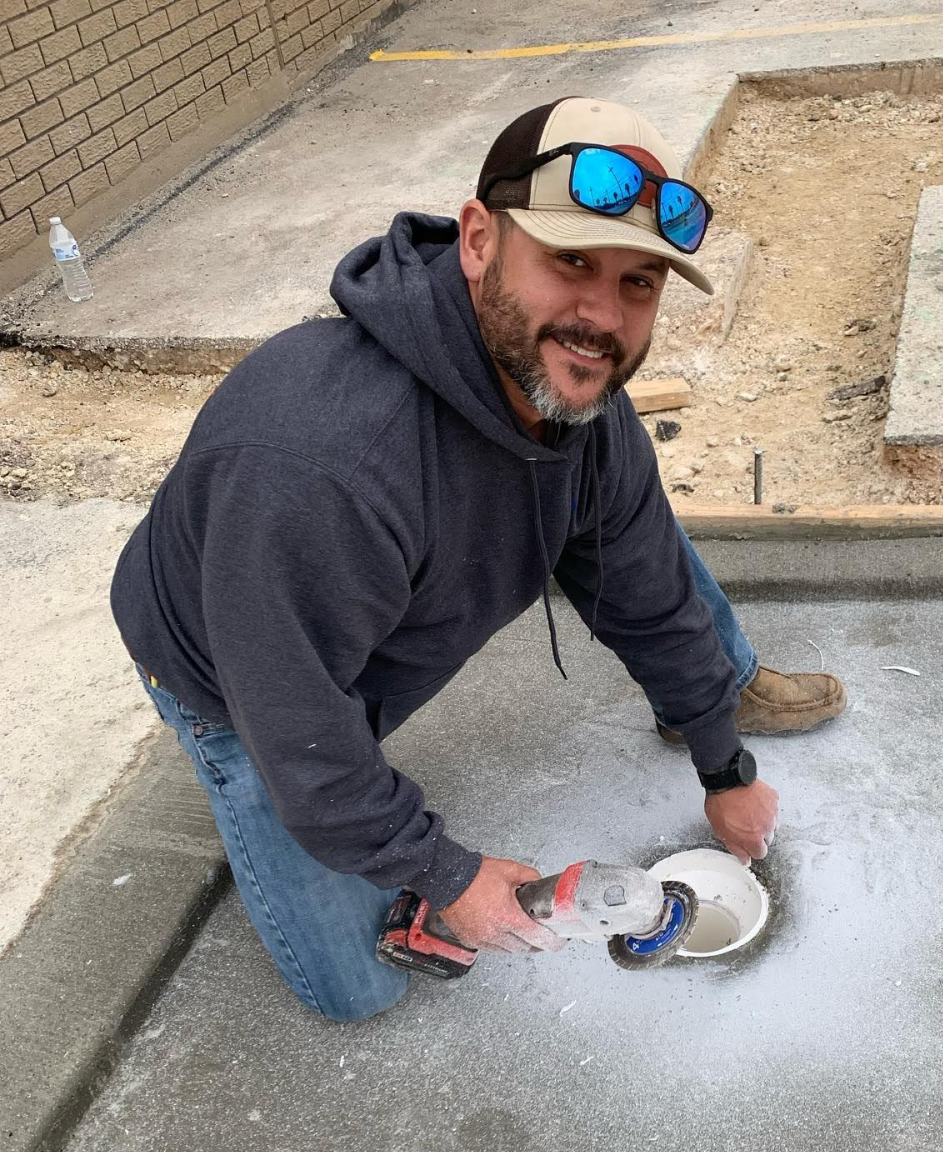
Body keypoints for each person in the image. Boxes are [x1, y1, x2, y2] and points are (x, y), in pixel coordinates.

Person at [111, 97, 846, 1022]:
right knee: (360, 989)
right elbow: (299, 728)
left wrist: (723, 768)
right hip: (229, 675)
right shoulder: (321, 465)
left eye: (639, 283)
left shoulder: (586, 408)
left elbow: (651, 598)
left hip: (354, 605)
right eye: (569, 260)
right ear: (476, 240)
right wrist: (444, 873)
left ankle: (712, 691)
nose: (601, 318)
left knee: (640, 532)